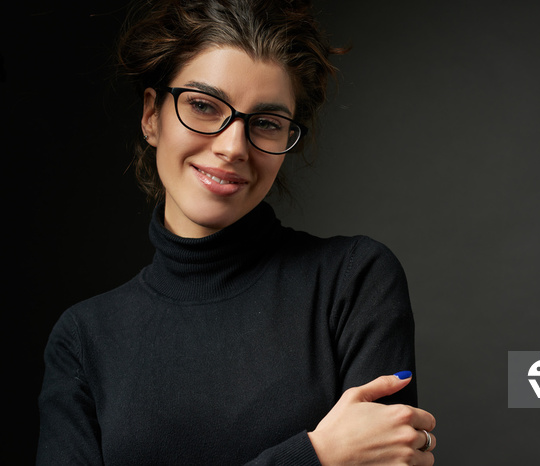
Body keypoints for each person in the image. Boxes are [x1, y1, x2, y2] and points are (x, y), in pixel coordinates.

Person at [37, 0, 437, 464]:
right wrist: (316, 455)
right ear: (152, 116)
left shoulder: (352, 280)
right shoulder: (84, 339)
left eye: (266, 123)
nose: (232, 147)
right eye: (205, 106)